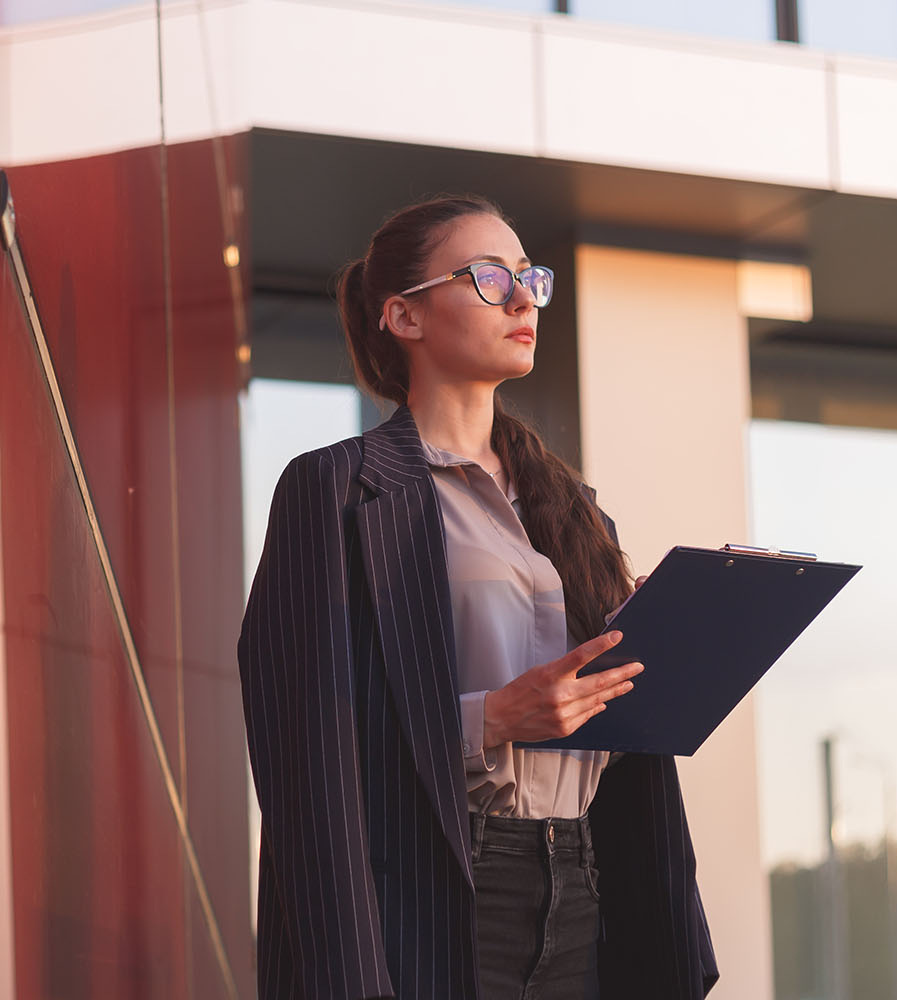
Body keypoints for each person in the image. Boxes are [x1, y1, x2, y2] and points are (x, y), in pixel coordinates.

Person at [237, 195, 718, 999]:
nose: (524, 296)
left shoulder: (573, 506)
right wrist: (491, 718)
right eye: (491, 277)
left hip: (587, 886)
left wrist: (675, 634)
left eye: (530, 276)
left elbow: (617, 720)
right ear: (404, 317)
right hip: (435, 895)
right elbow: (303, 744)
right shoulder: (335, 489)